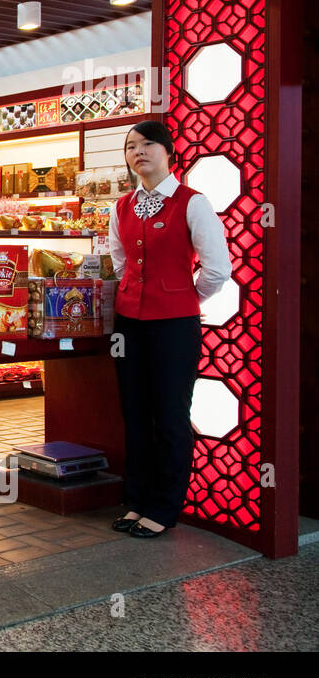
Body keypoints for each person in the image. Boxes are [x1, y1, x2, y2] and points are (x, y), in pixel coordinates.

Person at [108, 121, 231, 538]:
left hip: (175, 325)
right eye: (130, 147)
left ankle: (164, 507)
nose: (138, 151)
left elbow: (217, 270)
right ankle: (137, 500)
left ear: (168, 151)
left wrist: (183, 298)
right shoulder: (121, 206)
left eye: (147, 144)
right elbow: (120, 261)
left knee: (171, 414)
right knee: (134, 412)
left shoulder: (192, 203)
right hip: (128, 324)